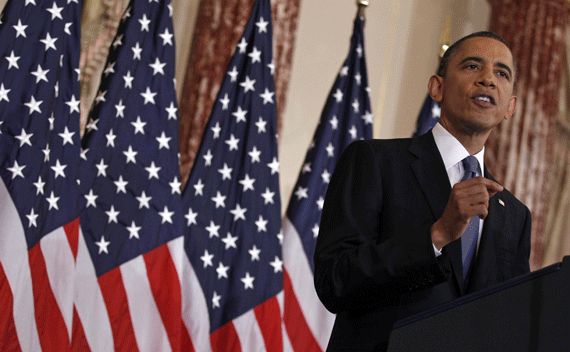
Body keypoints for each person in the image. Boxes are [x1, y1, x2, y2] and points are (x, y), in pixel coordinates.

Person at [313, 31, 531, 352]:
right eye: (472, 66)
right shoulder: (375, 162)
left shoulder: (513, 214)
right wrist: (437, 235)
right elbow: (336, 282)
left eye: (502, 73)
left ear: (510, 106)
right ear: (436, 87)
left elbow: (511, 322)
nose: (488, 79)